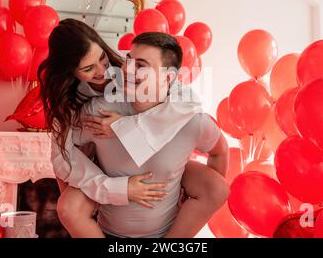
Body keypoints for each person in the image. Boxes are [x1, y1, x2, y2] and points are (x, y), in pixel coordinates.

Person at [38, 19, 229, 237]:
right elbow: (64, 163)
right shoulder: (75, 111)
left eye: (103, 59)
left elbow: (187, 101)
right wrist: (108, 193)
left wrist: (123, 127)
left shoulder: (129, 75)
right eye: (89, 68)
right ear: (69, 73)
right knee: (69, 205)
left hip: (156, 176)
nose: (104, 71)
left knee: (216, 185)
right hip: (100, 166)